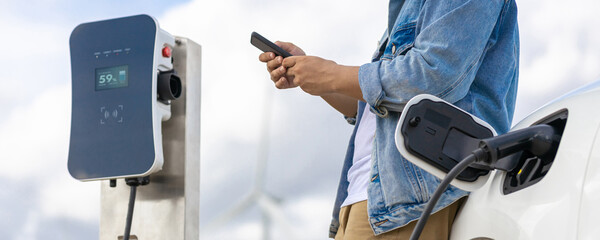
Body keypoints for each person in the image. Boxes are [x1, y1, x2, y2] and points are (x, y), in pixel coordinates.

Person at [258, 0, 519, 239]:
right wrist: (315, 79)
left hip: (407, 206)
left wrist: (330, 74)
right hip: (368, 199)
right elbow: (381, 106)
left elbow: (432, 76)